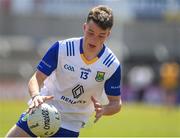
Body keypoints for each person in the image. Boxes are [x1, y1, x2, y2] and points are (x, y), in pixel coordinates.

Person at [6, 5, 122, 137]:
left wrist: (104, 109)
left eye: (101, 35)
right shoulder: (62, 48)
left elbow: (116, 103)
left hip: (71, 123)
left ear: (108, 34)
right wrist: (35, 96)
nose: (94, 39)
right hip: (43, 109)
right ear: (84, 27)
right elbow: (36, 79)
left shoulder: (111, 64)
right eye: (91, 32)